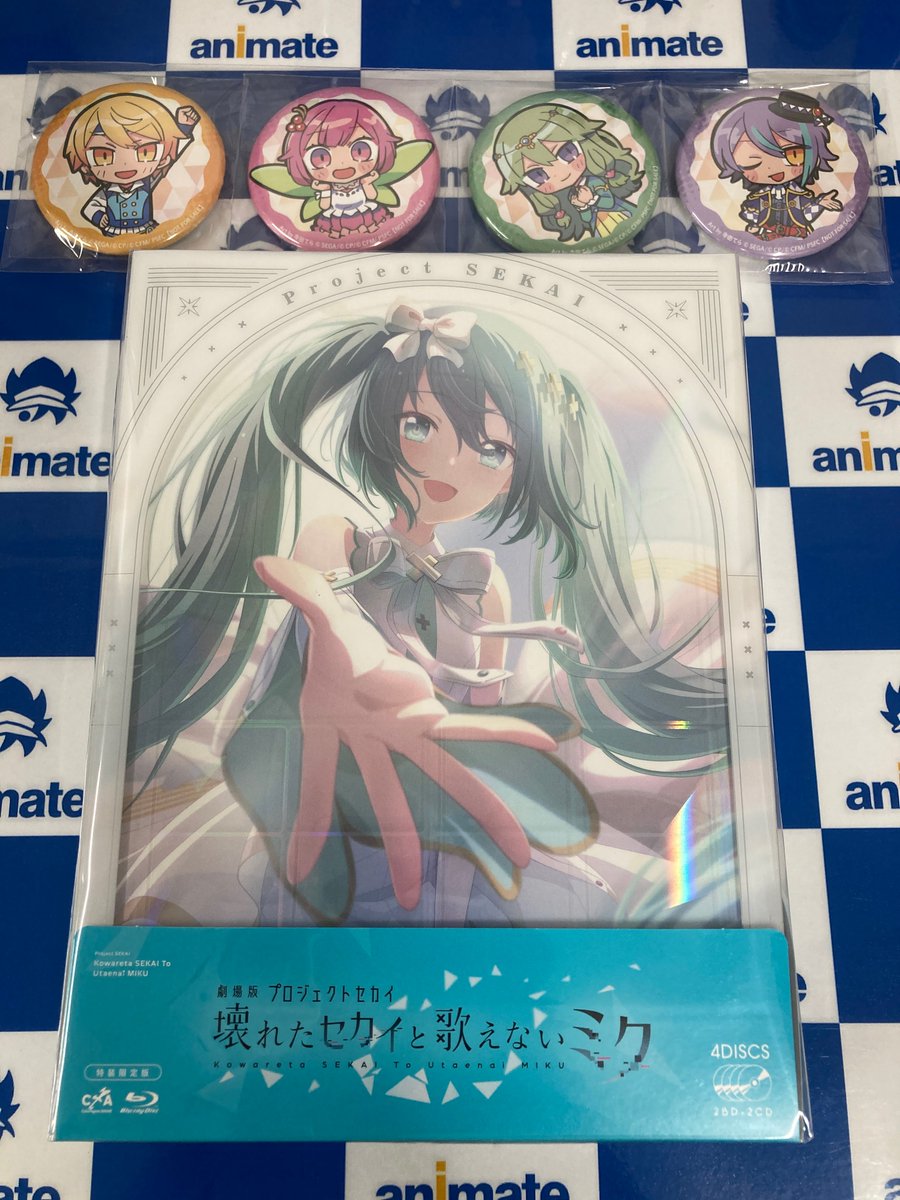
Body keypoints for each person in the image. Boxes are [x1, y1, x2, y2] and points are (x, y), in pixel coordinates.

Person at [125, 303, 732, 928]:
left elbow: (485, 707)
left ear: (514, 475)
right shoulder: (342, 540)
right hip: (326, 786)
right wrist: (343, 642)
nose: (450, 465)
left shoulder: (484, 586)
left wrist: (515, 668)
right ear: (377, 425)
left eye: (492, 450)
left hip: (438, 792)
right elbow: (311, 589)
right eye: (419, 425)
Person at [492, 101, 645, 243]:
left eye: (567, 152)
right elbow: (585, 219)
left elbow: (609, 201)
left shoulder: (595, 181)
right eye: (537, 175)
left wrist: (591, 200)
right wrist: (583, 207)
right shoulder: (562, 203)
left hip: (622, 214)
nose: (561, 173)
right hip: (598, 228)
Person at [710, 90, 843, 241]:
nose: (771, 168)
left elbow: (806, 215)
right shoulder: (758, 198)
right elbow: (748, 213)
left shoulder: (800, 196)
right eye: (752, 163)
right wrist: (754, 224)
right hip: (764, 235)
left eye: (793, 155)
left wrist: (820, 204)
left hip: (798, 236)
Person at [63, 92, 198, 237]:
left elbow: (175, 154)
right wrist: (99, 217)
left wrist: (183, 127)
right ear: (85, 165)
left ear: (162, 159)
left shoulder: (147, 183)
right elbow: (90, 208)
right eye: (103, 155)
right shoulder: (107, 191)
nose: (125, 163)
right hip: (113, 234)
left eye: (145, 151)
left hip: (146, 231)